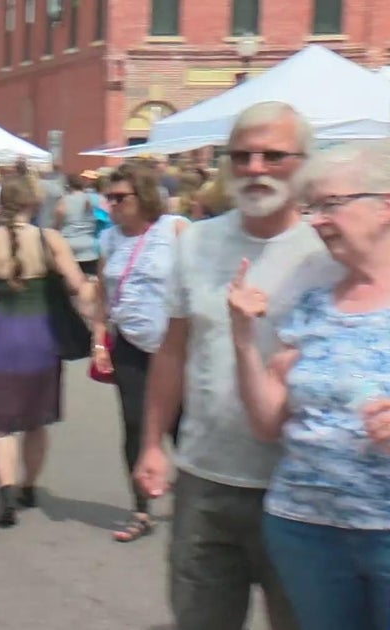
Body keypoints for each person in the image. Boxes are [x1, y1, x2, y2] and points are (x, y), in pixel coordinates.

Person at [133, 101, 341, 630]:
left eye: (273, 156)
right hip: (206, 478)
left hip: (301, 484)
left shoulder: (332, 249)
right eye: (241, 156)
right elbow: (173, 350)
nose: (254, 168)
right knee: (199, 618)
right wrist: (153, 442)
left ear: (305, 161)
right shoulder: (196, 243)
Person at [229, 140, 390, 630]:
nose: (316, 221)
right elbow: (265, 425)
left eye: (330, 205)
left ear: (385, 205)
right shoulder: (314, 305)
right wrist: (241, 341)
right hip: (305, 529)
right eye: (311, 208)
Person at [0, 176, 94, 527]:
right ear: (34, 204)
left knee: (0, 425)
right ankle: (29, 485)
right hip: (41, 337)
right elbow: (77, 285)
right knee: (36, 421)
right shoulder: (49, 239)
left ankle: (6, 491)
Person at [90, 163, 189, 542]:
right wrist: (99, 338)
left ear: (144, 196)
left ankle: (193, 505)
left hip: (176, 346)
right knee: (134, 425)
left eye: (120, 197)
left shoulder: (176, 229)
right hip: (129, 343)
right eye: (109, 197)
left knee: (183, 426)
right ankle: (141, 509)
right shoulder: (110, 239)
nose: (112, 204)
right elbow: (101, 291)